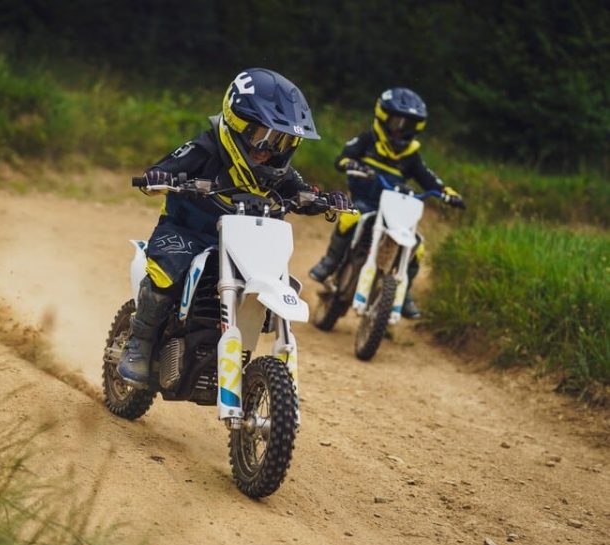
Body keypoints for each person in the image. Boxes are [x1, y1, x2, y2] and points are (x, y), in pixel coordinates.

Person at [117, 67, 348, 387]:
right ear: (237, 125)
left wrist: (325, 201)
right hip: (188, 232)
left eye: (283, 142)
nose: (271, 151)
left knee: (277, 277)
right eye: (264, 138)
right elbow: (164, 168)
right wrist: (160, 177)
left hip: (246, 243)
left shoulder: (280, 172)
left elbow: (302, 193)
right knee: (167, 272)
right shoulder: (204, 149)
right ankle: (138, 345)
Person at [308, 87, 464, 319]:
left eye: (407, 125)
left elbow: (428, 179)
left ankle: (405, 291)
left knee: (417, 246)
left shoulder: (411, 155)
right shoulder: (366, 139)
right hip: (365, 201)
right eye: (395, 122)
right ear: (382, 117)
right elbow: (342, 158)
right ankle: (330, 262)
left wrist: (447, 192)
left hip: (393, 211)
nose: (400, 129)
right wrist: (352, 164)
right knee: (350, 216)